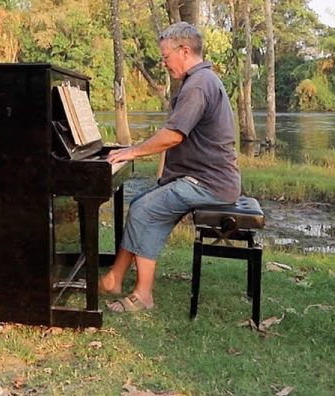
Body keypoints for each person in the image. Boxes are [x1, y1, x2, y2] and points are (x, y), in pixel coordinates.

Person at [101, 21, 240, 312]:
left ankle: (143, 295)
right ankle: (114, 278)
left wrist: (131, 152)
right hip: (201, 179)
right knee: (143, 202)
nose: (163, 63)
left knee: (143, 209)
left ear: (185, 51)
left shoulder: (199, 85)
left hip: (209, 184)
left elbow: (173, 135)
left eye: (165, 57)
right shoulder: (200, 81)